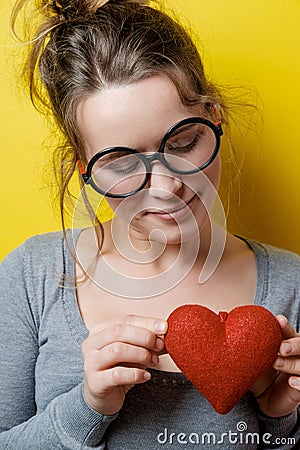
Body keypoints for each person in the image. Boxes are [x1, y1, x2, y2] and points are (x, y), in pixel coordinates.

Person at [0, 0, 299, 448]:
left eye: (183, 142)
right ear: (85, 168)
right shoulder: (31, 276)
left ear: (214, 119)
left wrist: (279, 419)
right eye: (121, 163)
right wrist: (86, 408)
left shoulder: (292, 285)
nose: (165, 186)